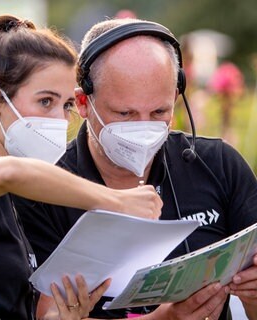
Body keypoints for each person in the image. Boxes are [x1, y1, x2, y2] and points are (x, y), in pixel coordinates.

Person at [14, 17, 257, 320]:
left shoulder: (220, 167)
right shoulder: (44, 188)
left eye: (159, 111)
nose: (143, 128)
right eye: (125, 113)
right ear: (83, 102)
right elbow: (43, 314)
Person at [0, 15, 163, 320]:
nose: (59, 118)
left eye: (67, 105)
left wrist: (63, 316)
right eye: (46, 102)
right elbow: (8, 172)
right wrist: (117, 201)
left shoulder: (13, 205)